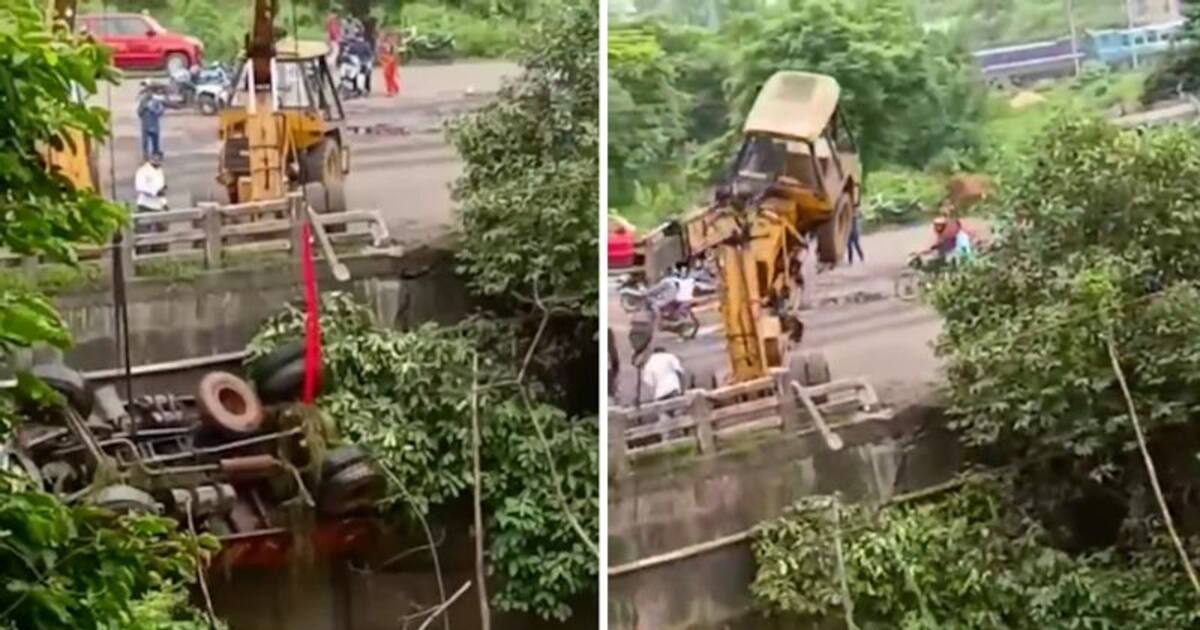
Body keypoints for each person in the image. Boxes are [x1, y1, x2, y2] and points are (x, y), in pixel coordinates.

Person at [134, 153, 168, 253]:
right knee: (143, 234)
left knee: (162, 232)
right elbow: (140, 187)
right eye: (156, 158)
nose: (158, 161)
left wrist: (164, 203)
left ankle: (160, 254)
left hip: (159, 206)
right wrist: (154, 192)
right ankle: (142, 254)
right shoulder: (143, 171)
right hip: (146, 205)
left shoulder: (160, 171)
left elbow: (161, 188)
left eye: (160, 159)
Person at [137, 85, 165, 160]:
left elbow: (139, 112)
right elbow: (139, 112)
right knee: (151, 140)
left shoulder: (154, 100)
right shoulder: (149, 100)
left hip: (148, 123)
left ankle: (151, 154)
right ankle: (151, 154)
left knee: (151, 140)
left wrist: (153, 111)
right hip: (150, 123)